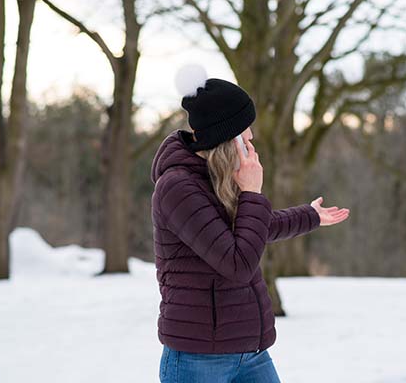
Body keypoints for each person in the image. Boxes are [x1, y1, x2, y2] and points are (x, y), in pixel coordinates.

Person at [150, 64, 350, 383]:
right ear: (225, 135)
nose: (252, 136)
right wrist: (251, 192)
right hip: (198, 357)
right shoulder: (177, 188)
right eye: (245, 129)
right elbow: (238, 262)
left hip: (248, 353)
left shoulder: (217, 178)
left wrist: (309, 215)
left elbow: (253, 228)